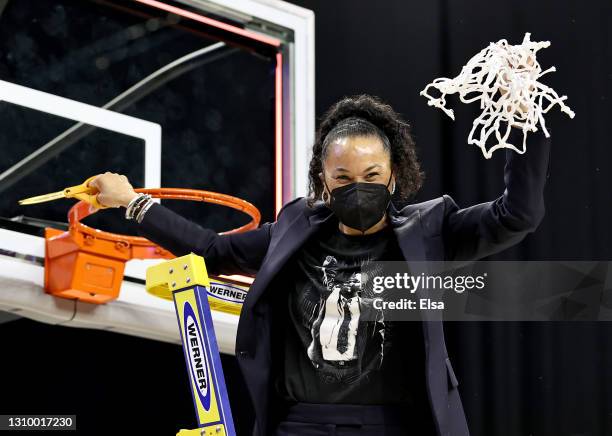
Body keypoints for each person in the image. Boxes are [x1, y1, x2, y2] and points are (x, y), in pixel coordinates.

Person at [89, 94, 551, 436]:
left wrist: (525, 124)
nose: (359, 188)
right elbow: (213, 250)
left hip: (395, 424)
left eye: (372, 177)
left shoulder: (431, 231)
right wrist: (134, 204)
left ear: (394, 175)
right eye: (343, 178)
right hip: (302, 423)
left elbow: (517, 216)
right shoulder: (293, 230)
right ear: (323, 181)